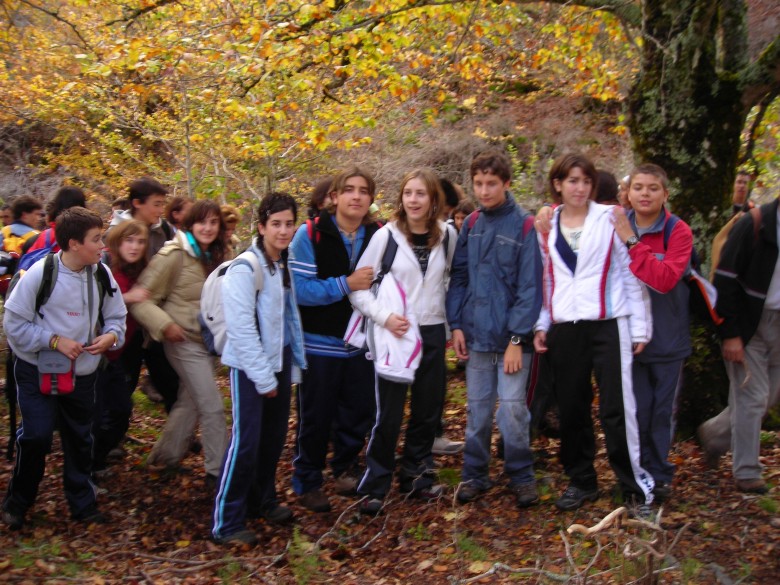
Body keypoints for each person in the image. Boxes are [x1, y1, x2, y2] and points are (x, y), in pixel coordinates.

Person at [533, 153, 654, 514]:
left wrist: (640, 326)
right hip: (565, 327)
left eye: (586, 181)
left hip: (608, 324)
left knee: (617, 408)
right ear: (558, 184)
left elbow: (630, 273)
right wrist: (543, 323)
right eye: (572, 180)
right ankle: (582, 480)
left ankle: (634, 488)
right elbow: (547, 279)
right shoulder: (547, 224)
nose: (580, 188)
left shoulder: (610, 218)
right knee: (571, 407)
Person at [1, 207, 126, 530]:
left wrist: (111, 336)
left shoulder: (101, 274)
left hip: (82, 372)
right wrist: (54, 341)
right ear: (73, 244)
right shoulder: (40, 274)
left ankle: (83, 505)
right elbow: (13, 325)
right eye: (96, 239)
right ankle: (18, 503)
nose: (103, 246)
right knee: (36, 436)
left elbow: (117, 316)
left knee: (80, 437)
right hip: (35, 369)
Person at [351, 169, 456, 514]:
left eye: (421, 193)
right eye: (408, 193)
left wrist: (451, 326)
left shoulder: (448, 236)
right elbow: (358, 289)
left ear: (433, 199)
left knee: (428, 410)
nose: (413, 200)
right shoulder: (386, 237)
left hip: (433, 331)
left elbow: (451, 281)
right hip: (395, 334)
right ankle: (376, 484)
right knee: (389, 415)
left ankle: (416, 476)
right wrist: (384, 317)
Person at [446, 149, 542, 508]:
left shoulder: (524, 225)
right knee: (478, 409)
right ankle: (474, 474)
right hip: (477, 338)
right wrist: (456, 325)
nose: (484, 191)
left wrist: (517, 338)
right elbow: (459, 277)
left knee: (513, 409)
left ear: (506, 183)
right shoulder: (471, 224)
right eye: (478, 183)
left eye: (491, 184)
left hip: (512, 341)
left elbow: (531, 288)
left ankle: (521, 475)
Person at [212, 193, 307, 545]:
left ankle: (261, 500)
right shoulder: (244, 267)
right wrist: (263, 377)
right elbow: (241, 329)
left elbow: (286, 320)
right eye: (276, 224)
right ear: (262, 227)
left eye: (289, 224)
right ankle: (227, 522)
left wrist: (288, 368)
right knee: (246, 442)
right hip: (249, 368)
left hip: (278, 362)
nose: (283, 231)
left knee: (272, 439)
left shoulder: (283, 263)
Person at [289, 166, 381, 513]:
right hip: (319, 341)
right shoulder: (310, 233)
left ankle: (344, 467)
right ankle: (308, 480)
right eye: (349, 190)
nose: (356, 196)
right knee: (316, 415)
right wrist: (346, 284)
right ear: (335, 196)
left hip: (362, 343)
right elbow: (300, 290)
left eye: (363, 191)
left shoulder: (379, 234)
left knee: (358, 411)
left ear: (371, 199)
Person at [130, 200, 229, 485]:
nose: (208, 228)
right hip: (182, 340)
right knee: (211, 405)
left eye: (214, 222)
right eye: (202, 222)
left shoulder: (219, 255)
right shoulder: (174, 255)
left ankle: (164, 458)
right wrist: (165, 325)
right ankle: (219, 472)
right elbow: (140, 299)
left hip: (207, 342)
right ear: (190, 224)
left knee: (190, 403)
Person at [612, 164, 694, 503]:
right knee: (636, 412)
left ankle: (658, 475)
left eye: (653, 188)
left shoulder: (678, 231)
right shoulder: (614, 223)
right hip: (627, 338)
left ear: (665, 194)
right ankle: (635, 475)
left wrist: (631, 241)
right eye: (638, 187)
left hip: (668, 339)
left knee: (661, 414)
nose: (645, 194)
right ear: (628, 193)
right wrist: (546, 213)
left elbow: (663, 279)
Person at [699, 196, 779, 494]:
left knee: (767, 396)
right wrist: (730, 333)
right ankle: (747, 472)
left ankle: (715, 432)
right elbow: (725, 280)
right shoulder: (755, 224)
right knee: (753, 397)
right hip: (749, 323)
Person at [106, 177, 179, 411]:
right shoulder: (112, 236)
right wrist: (129, 297)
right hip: (123, 326)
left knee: (169, 381)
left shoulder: (163, 231)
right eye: (157, 204)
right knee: (121, 384)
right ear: (137, 203)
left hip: (154, 319)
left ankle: (178, 426)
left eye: (162, 204)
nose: (161, 210)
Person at [92, 220, 150, 476]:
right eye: (129, 240)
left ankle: (97, 459)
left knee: (120, 411)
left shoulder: (138, 270)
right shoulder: (103, 267)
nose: (135, 247)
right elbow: (96, 302)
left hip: (117, 353)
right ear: (117, 242)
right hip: (94, 354)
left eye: (140, 242)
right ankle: (89, 467)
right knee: (98, 414)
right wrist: (128, 298)